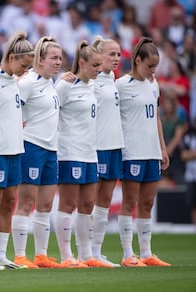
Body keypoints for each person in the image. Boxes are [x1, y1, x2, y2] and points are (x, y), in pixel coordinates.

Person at [55, 40, 112, 268]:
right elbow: (50, 111)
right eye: (95, 64)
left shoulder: (92, 86)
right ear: (82, 63)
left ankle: (86, 255)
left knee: (88, 204)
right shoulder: (65, 86)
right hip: (70, 151)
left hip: (90, 152)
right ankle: (66, 255)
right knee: (68, 204)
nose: (100, 68)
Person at [0, 31, 34, 270]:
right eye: (23, 65)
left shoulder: (16, 81)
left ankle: (0, 255)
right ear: (12, 57)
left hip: (16, 149)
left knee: (9, 202)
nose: (25, 71)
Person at [116, 37, 171, 267]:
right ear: (137, 60)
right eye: (149, 66)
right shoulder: (121, 85)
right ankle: (128, 254)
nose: (152, 70)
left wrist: (162, 147)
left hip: (151, 151)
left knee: (147, 203)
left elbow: (156, 116)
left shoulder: (153, 84)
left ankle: (147, 252)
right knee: (130, 202)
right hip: (132, 151)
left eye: (155, 67)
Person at [11, 36, 62, 269]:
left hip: (52, 149)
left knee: (46, 204)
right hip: (32, 146)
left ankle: (41, 255)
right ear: (40, 59)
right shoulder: (28, 82)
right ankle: (20, 255)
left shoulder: (52, 83)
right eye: (54, 57)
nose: (58, 62)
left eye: (60, 58)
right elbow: (13, 109)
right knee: (26, 202)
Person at [90, 37, 124, 267]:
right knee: (91, 201)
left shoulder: (113, 78)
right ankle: (87, 252)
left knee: (105, 201)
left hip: (115, 145)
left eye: (119, 54)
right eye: (111, 54)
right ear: (99, 56)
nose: (116, 59)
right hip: (99, 146)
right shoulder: (91, 82)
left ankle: (97, 252)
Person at [181, 117, 196, 224]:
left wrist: (192, 154)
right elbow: (184, 155)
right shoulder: (188, 137)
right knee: (193, 204)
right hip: (191, 174)